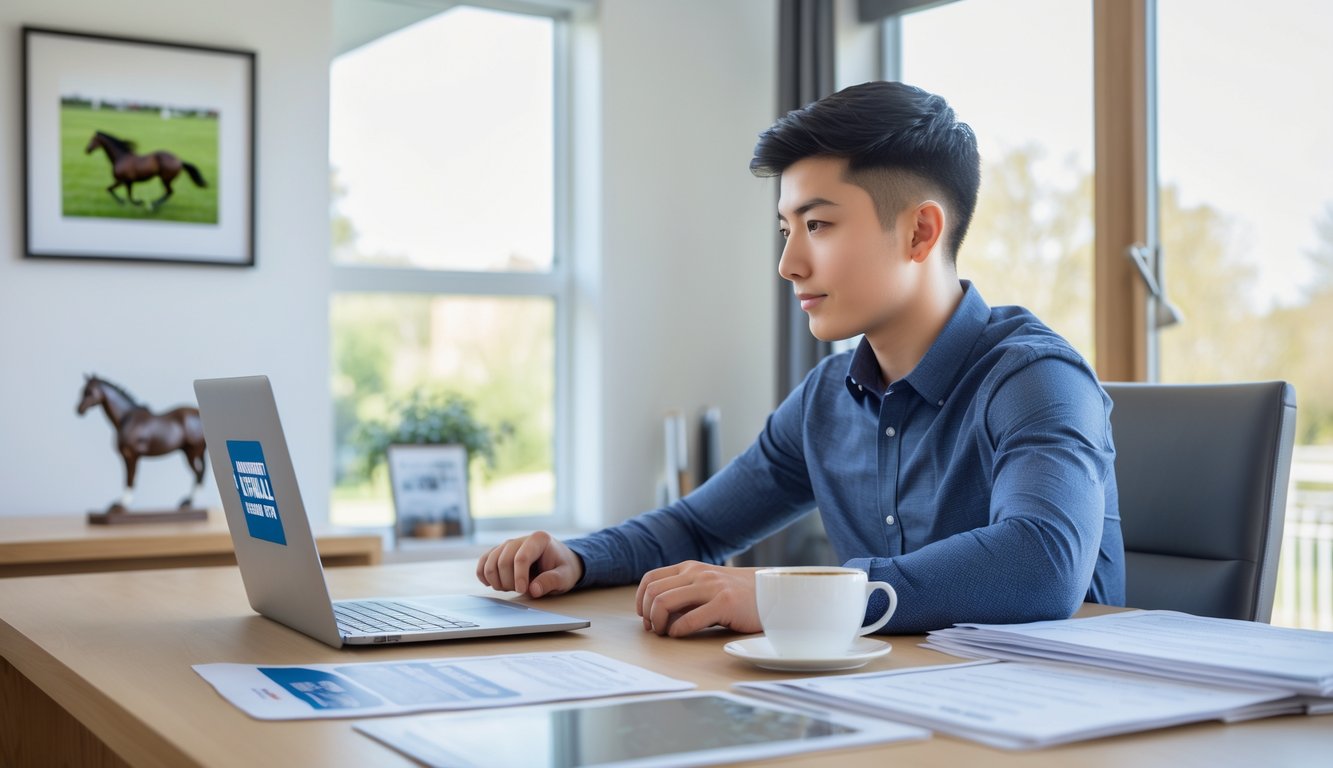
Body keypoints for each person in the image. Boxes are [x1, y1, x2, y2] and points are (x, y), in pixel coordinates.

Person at [476, 80, 1124, 636]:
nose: (788, 265)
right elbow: (698, 527)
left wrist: (786, 597)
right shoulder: (826, 398)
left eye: (817, 226)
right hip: (895, 698)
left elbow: (1040, 564)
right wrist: (578, 558)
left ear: (920, 231)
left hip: (1060, 720)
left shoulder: (1035, 379)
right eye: (786, 229)